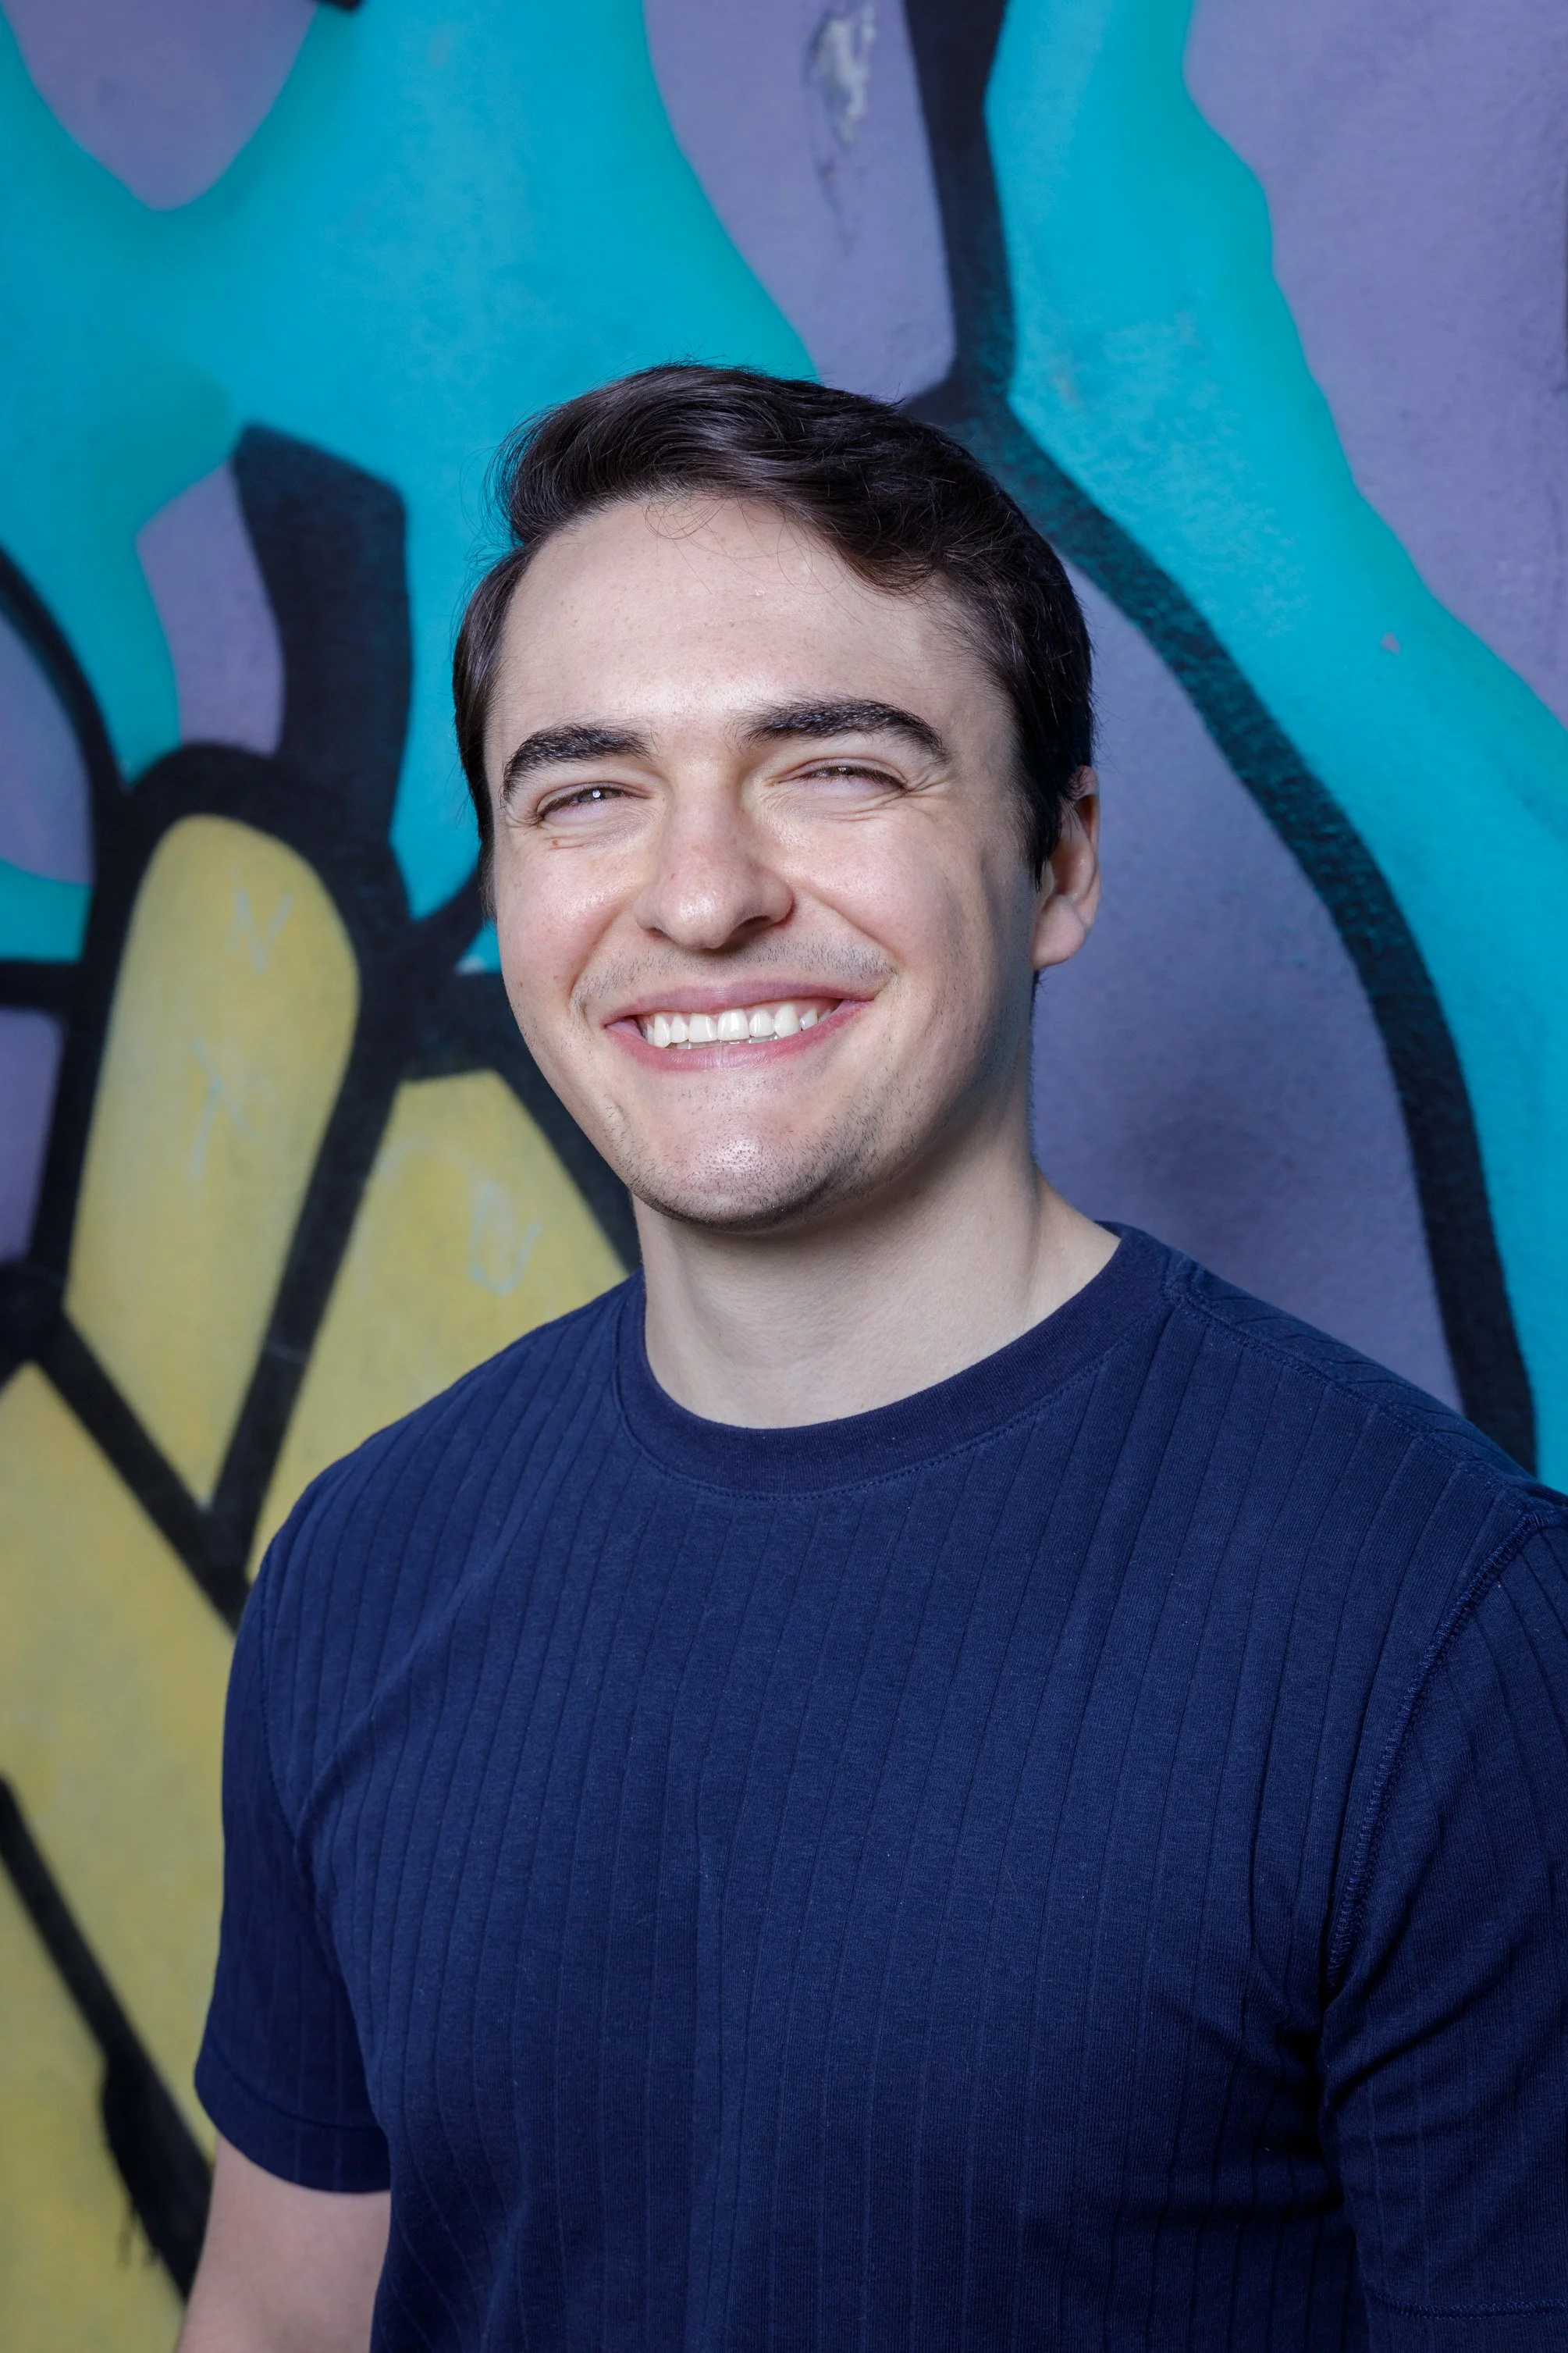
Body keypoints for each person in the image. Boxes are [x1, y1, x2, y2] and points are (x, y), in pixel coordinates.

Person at [180, 366, 1568, 2352]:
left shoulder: (1440, 1635)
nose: (698, 893)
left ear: (1059, 859)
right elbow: (279, 2325)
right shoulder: (361, 1564)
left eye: (833, 767)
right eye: (585, 792)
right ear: (505, 889)